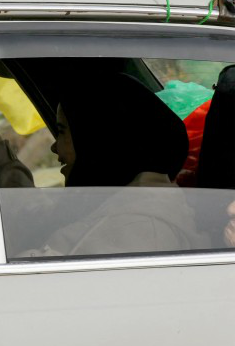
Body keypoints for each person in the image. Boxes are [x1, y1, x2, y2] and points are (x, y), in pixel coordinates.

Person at [23, 73, 207, 257]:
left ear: (101, 141)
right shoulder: (113, 204)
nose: (55, 147)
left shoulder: (139, 231)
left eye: (62, 132)